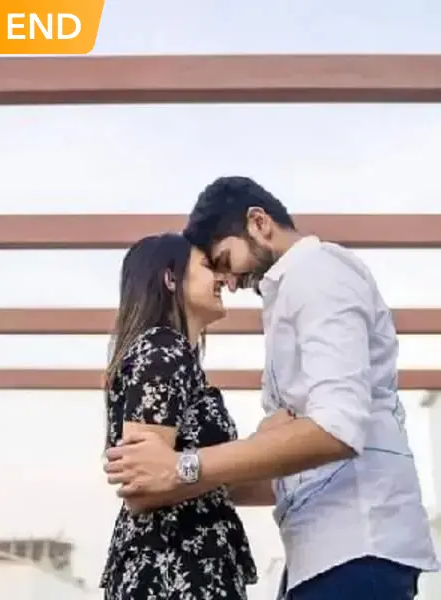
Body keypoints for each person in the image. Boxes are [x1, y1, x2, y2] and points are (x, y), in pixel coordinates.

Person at [104, 177, 439, 599]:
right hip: (318, 549)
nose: (228, 281)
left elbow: (337, 426)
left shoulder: (318, 273)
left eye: (222, 260)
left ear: (259, 223)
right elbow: (152, 478)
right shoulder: (285, 295)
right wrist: (244, 451)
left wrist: (184, 466)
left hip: (357, 539)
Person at [100, 232, 264, 600]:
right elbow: (142, 486)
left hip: (183, 566)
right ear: (171, 279)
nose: (222, 278)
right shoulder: (162, 350)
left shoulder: (174, 357)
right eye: (208, 267)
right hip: (172, 569)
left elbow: (211, 477)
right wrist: (254, 449)